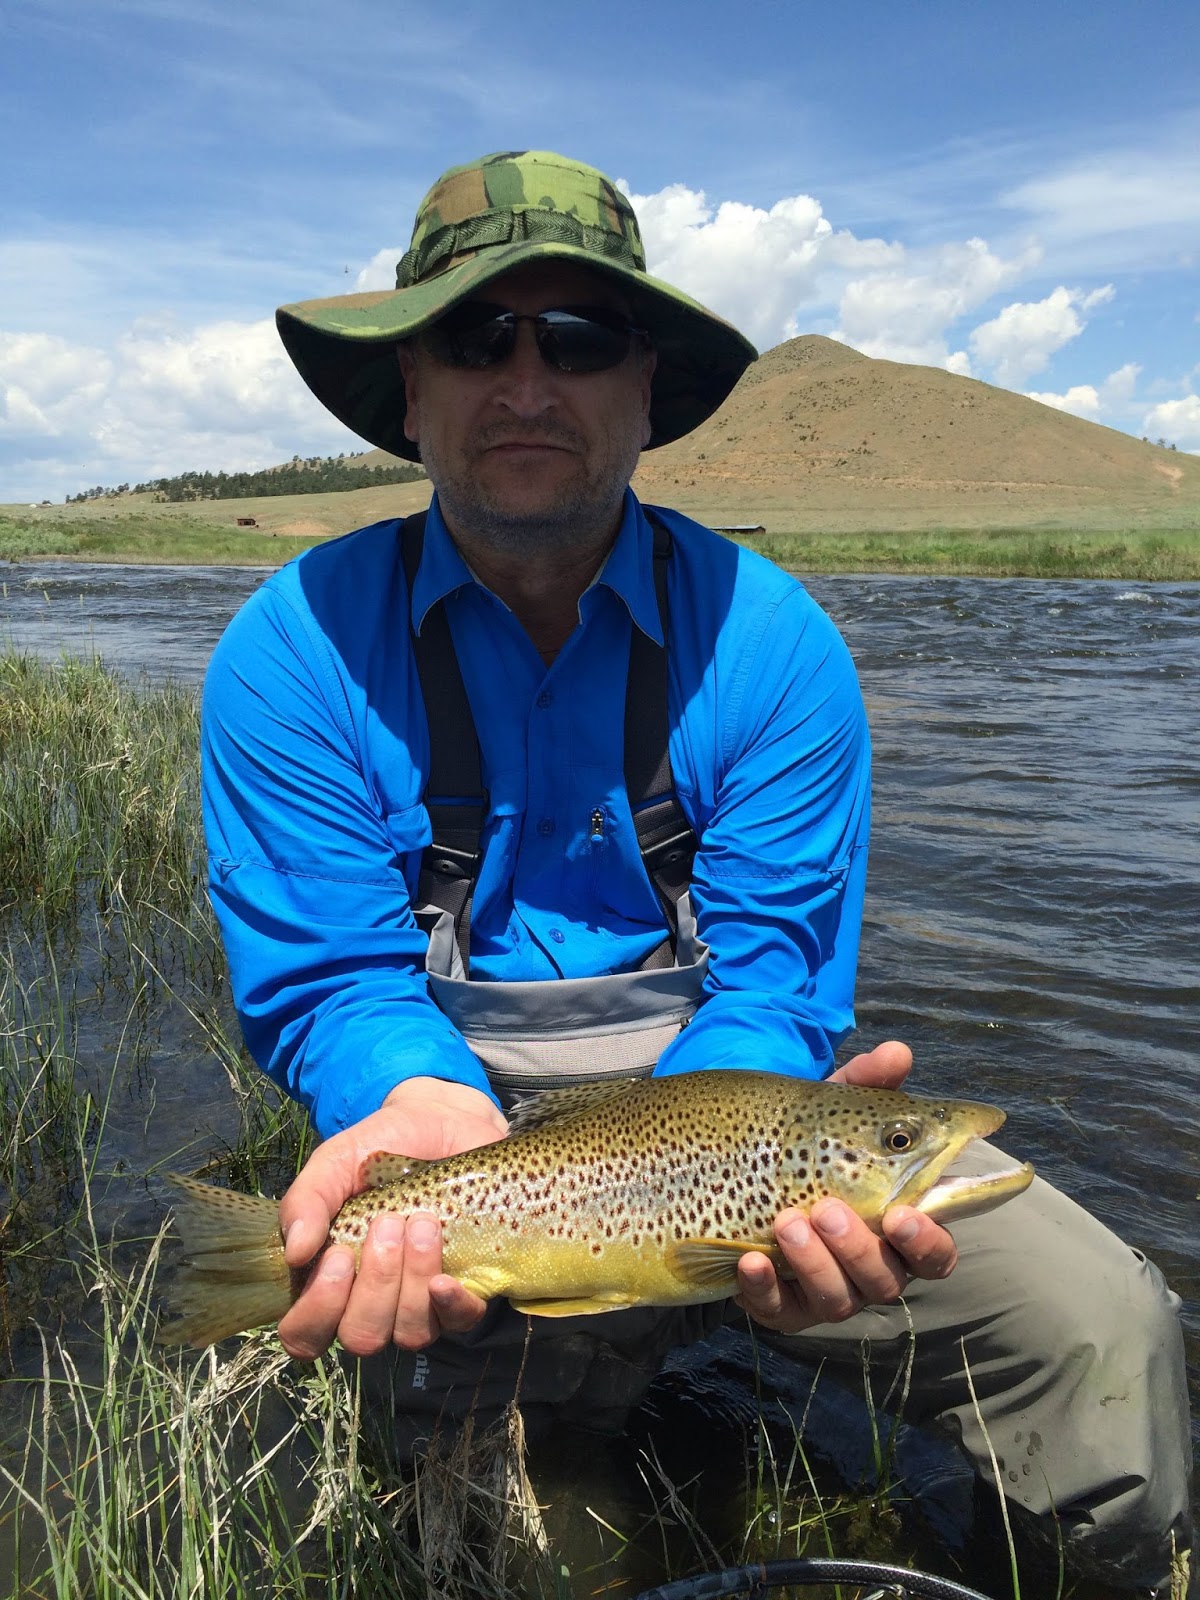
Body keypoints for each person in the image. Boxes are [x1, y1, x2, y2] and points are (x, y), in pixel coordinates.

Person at [201, 150, 1193, 1597]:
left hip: (736, 1147)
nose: (527, 380)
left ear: (646, 386)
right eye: (478, 338)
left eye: (581, 339)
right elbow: (335, 985)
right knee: (537, 1553)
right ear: (409, 390)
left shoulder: (772, 648)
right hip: (449, 1155)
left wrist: (751, 1184)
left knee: (1106, 1330)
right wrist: (413, 1107)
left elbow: (777, 988)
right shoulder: (291, 654)